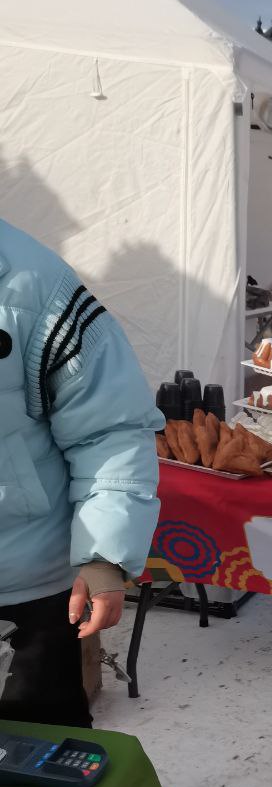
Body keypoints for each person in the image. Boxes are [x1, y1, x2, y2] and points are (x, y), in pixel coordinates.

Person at [0, 220, 163, 728]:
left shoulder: (33, 284)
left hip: (28, 589)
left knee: (39, 774)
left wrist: (104, 557)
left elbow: (110, 431)